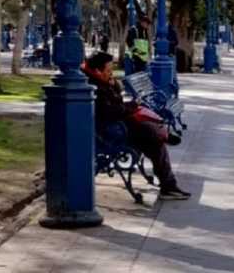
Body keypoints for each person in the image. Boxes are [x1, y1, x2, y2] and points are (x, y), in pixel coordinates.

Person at [82, 51, 191, 200]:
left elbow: (116, 106)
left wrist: (115, 87)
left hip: (117, 125)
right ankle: (168, 182)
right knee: (153, 139)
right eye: (108, 71)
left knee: (154, 140)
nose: (111, 74)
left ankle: (168, 183)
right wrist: (130, 106)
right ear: (96, 71)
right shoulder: (94, 87)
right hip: (111, 132)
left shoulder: (101, 82)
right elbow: (109, 112)